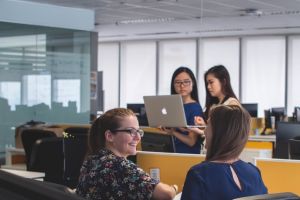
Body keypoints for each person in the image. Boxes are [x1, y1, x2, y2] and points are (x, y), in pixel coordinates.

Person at [76, 108, 178, 200]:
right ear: (109, 136)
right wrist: (174, 188)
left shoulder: (92, 160)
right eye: (131, 131)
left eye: (138, 131)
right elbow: (166, 194)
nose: (138, 137)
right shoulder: (120, 166)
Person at [181, 105, 268, 200]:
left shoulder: (199, 174)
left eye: (208, 125)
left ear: (219, 132)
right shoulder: (254, 172)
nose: (204, 131)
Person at [161, 66, 204, 154]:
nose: (182, 86)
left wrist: (173, 132)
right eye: (178, 82)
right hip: (171, 152)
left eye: (186, 82)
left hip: (186, 155)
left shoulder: (195, 108)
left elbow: (191, 142)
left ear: (193, 83)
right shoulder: (172, 105)